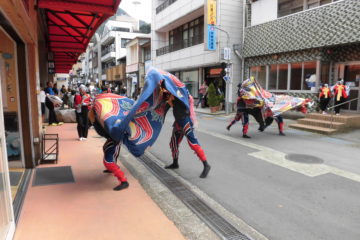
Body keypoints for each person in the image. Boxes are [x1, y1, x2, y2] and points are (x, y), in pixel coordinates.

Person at [161, 82, 211, 178]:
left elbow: (180, 101)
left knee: (193, 143)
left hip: (186, 121)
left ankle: (206, 165)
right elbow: (166, 107)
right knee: (173, 143)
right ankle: (175, 163)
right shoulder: (172, 95)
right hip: (178, 122)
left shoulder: (180, 94)